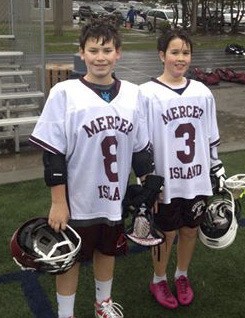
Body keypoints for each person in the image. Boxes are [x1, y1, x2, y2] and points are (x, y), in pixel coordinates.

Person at [29, 19, 155, 318]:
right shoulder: (65, 92)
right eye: (93, 50)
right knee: (69, 257)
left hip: (113, 195)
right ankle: (66, 314)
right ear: (82, 53)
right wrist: (58, 201)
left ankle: (102, 304)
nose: (100, 56)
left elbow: (139, 148)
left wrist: (148, 184)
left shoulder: (134, 94)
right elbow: (53, 154)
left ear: (118, 53)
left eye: (107, 50)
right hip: (78, 197)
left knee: (106, 251)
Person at [139, 29, 226, 309]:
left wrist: (216, 165)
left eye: (186, 53)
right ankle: (159, 279)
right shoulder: (147, 93)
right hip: (165, 179)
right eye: (174, 52)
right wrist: (146, 178)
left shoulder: (202, 92)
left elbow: (210, 135)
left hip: (196, 177)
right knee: (166, 232)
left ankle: (182, 274)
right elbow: (141, 143)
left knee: (190, 229)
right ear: (162, 55)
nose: (180, 58)